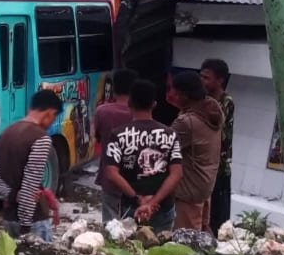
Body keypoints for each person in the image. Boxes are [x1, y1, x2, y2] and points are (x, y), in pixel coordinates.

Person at [101, 79, 183, 234]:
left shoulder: (118, 135)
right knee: (161, 252)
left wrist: (138, 199)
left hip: (132, 207)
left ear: (129, 104)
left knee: (131, 252)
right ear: (154, 105)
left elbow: (111, 174)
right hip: (163, 207)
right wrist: (153, 202)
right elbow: (177, 174)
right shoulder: (171, 135)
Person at [0, 89, 63, 242]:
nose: (52, 122)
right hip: (33, 221)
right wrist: (26, 226)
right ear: (49, 113)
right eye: (54, 117)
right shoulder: (41, 138)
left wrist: (13, 195)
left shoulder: (4, 134)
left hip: (9, 218)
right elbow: (30, 185)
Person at [169, 70, 224, 232]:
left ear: (185, 95)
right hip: (205, 185)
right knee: (202, 231)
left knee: (184, 241)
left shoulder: (187, 122)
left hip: (188, 190)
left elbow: (163, 146)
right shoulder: (213, 110)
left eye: (177, 93)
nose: (174, 97)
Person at [92, 68, 137, 223]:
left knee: (110, 225)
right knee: (132, 227)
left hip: (109, 178)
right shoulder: (139, 114)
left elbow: (96, 137)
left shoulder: (102, 111)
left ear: (114, 88)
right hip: (134, 181)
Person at [200, 58, 235, 231]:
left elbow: (217, 132)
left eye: (206, 78)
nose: (202, 81)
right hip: (202, 165)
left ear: (220, 80)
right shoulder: (200, 99)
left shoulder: (226, 101)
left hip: (219, 167)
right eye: (201, 77)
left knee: (217, 214)